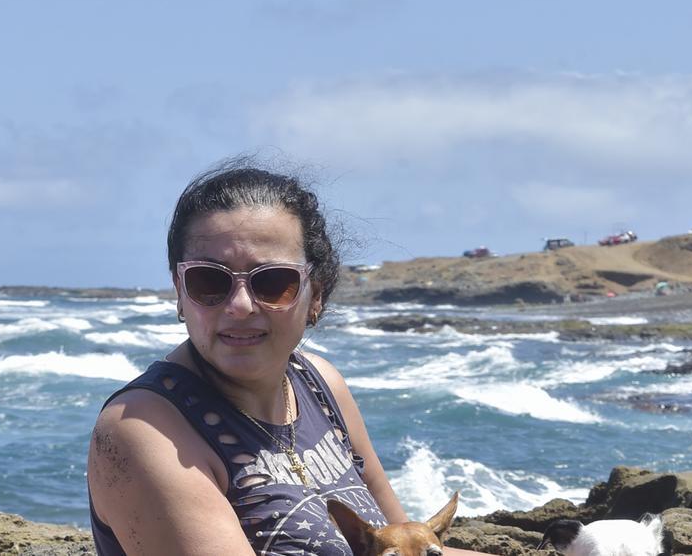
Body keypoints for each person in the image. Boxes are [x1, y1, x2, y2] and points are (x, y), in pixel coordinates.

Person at [87, 159, 489, 555]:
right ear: (180, 289)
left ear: (316, 294)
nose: (240, 305)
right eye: (209, 281)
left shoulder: (320, 384)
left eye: (273, 282)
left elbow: (403, 542)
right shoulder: (143, 431)